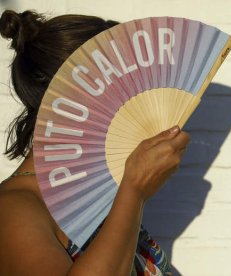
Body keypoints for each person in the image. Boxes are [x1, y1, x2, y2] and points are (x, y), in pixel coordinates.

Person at [0, 10, 190, 276]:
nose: (139, 105)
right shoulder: (13, 210)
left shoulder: (97, 199)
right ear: (74, 99)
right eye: (127, 91)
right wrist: (134, 192)